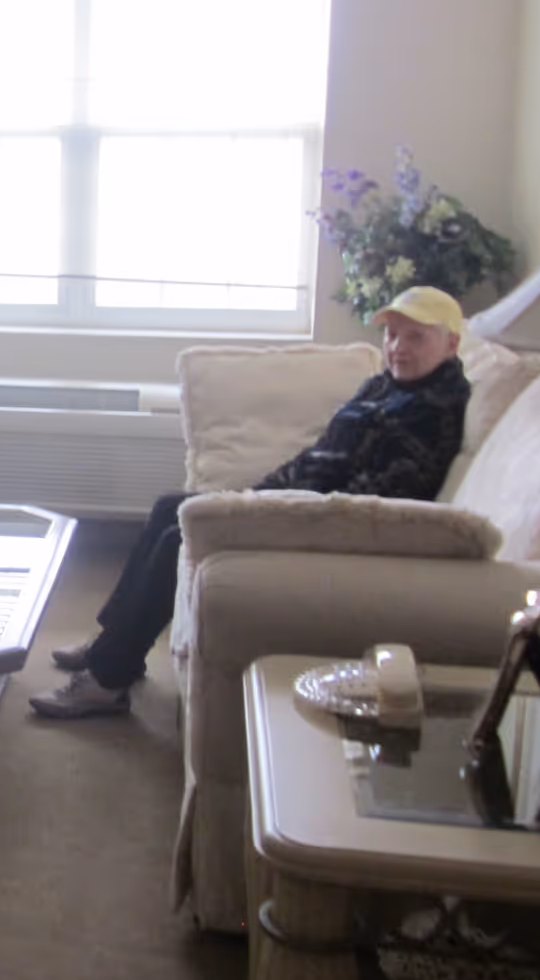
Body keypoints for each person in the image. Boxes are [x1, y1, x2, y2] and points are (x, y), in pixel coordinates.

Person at [30, 286, 472, 720]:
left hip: (326, 523)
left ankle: (107, 681)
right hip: (297, 498)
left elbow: (381, 498)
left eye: (416, 337)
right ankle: (111, 640)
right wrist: (262, 491)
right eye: (392, 335)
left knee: (175, 539)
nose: (398, 348)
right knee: (170, 506)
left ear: (451, 343)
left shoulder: (432, 409)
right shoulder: (387, 385)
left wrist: (276, 506)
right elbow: (323, 454)